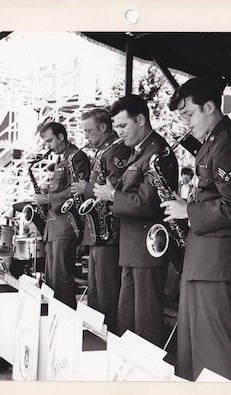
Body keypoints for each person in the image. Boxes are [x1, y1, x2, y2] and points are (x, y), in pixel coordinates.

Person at [161, 76, 231, 380]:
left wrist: (187, 211)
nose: (187, 123)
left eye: (189, 115)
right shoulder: (213, 141)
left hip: (215, 260)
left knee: (209, 350)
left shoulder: (227, 143)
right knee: (191, 347)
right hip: (204, 256)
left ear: (210, 107)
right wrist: (187, 204)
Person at [94, 95, 178, 347]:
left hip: (146, 248)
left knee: (146, 322)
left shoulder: (158, 153)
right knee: (128, 320)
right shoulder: (140, 152)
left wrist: (112, 196)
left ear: (140, 120)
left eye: (122, 126)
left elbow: (147, 202)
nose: (118, 133)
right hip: (133, 247)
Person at [70, 108, 131, 333]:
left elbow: (113, 187)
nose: (86, 137)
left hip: (108, 232)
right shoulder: (104, 150)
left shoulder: (117, 151)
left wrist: (85, 187)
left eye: (89, 131)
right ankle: (96, 337)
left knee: (106, 294)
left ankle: (107, 339)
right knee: (95, 292)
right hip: (98, 233)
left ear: (104, 128)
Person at [35, 121, 90, 309]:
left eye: (50, 140)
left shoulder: (76, 157)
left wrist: (48, 199)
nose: (47, 146)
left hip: (66, 224)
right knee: (52, 277)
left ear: (61, 137)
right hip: (54, 226)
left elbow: (77, 190)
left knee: (61, 277)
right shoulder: (61, 158)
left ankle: (65, 318)